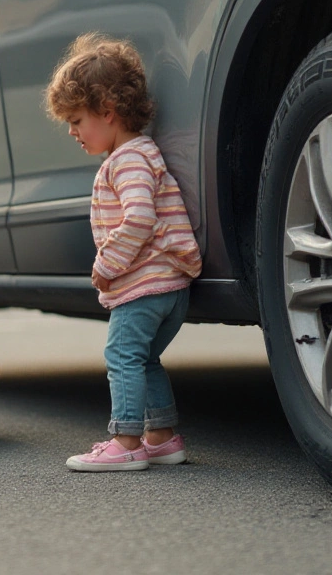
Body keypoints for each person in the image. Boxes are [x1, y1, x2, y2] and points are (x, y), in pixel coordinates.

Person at [44, 33, 202, 472]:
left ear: (108, 113)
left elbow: (138, 218)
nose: (72, 132)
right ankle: (163, 437)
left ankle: (127, 441)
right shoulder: (140, 152)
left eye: (76, 120)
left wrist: (106, 265)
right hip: (168, 286)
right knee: (145, 359)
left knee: (121, 357)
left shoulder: (128, 160)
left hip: (144, 287)